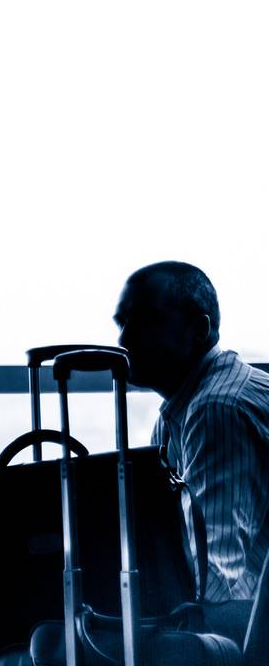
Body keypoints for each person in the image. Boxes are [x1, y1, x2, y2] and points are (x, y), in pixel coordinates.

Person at [114, 261, 269, 642]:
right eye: (121, 323)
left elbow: (217, 582)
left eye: (144, 322)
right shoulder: (177, 416)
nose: (123, 340)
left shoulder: (217, 409)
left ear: (199, 329)